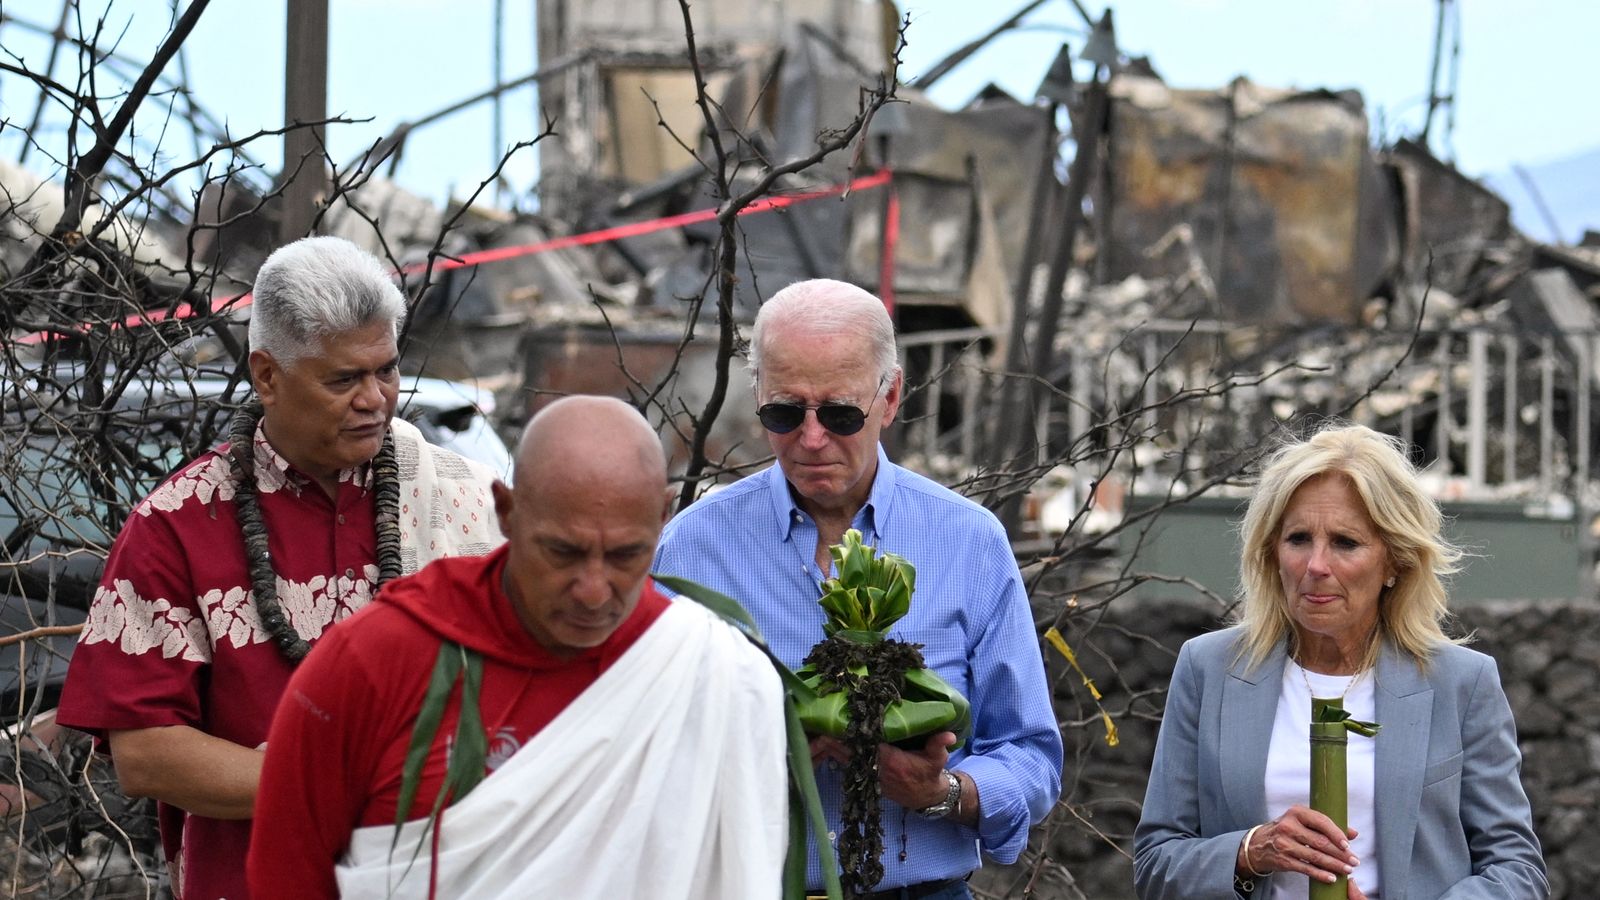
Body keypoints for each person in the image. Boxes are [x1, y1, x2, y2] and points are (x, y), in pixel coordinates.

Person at [55, 236, 504, 900]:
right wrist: (331, 784)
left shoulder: (467, 497)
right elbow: (146, 753)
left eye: (385, 369)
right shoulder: (176, 525)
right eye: (343, 379)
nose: (375, 399)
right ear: (267, 375)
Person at [246, 395, 788, 898]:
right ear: (505, 512)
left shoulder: (713, 674)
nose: (594, 591)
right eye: (562, 552)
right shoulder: (375, 659)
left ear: (663, 517)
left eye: (625, 555)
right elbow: (286, 875)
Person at [653, 278, 1063, 898]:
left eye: (841, 413)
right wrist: (760, 759)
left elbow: (1030, 752)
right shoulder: (693, 549)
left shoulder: (969, 543)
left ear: (890, 396)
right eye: (784, 413)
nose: (812, 438)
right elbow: (652, 752)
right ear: (757, 395)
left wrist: (943, 792)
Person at [1134, 423, 1548, 900]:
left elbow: (1517, 871)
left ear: (1395, 561)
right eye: (1298, 539)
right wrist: (1250, 851)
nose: (1316, 566)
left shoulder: (1460, 682)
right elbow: (1155, 862)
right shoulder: (1209, 668)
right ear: (1271, 550)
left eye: (1345, 543)